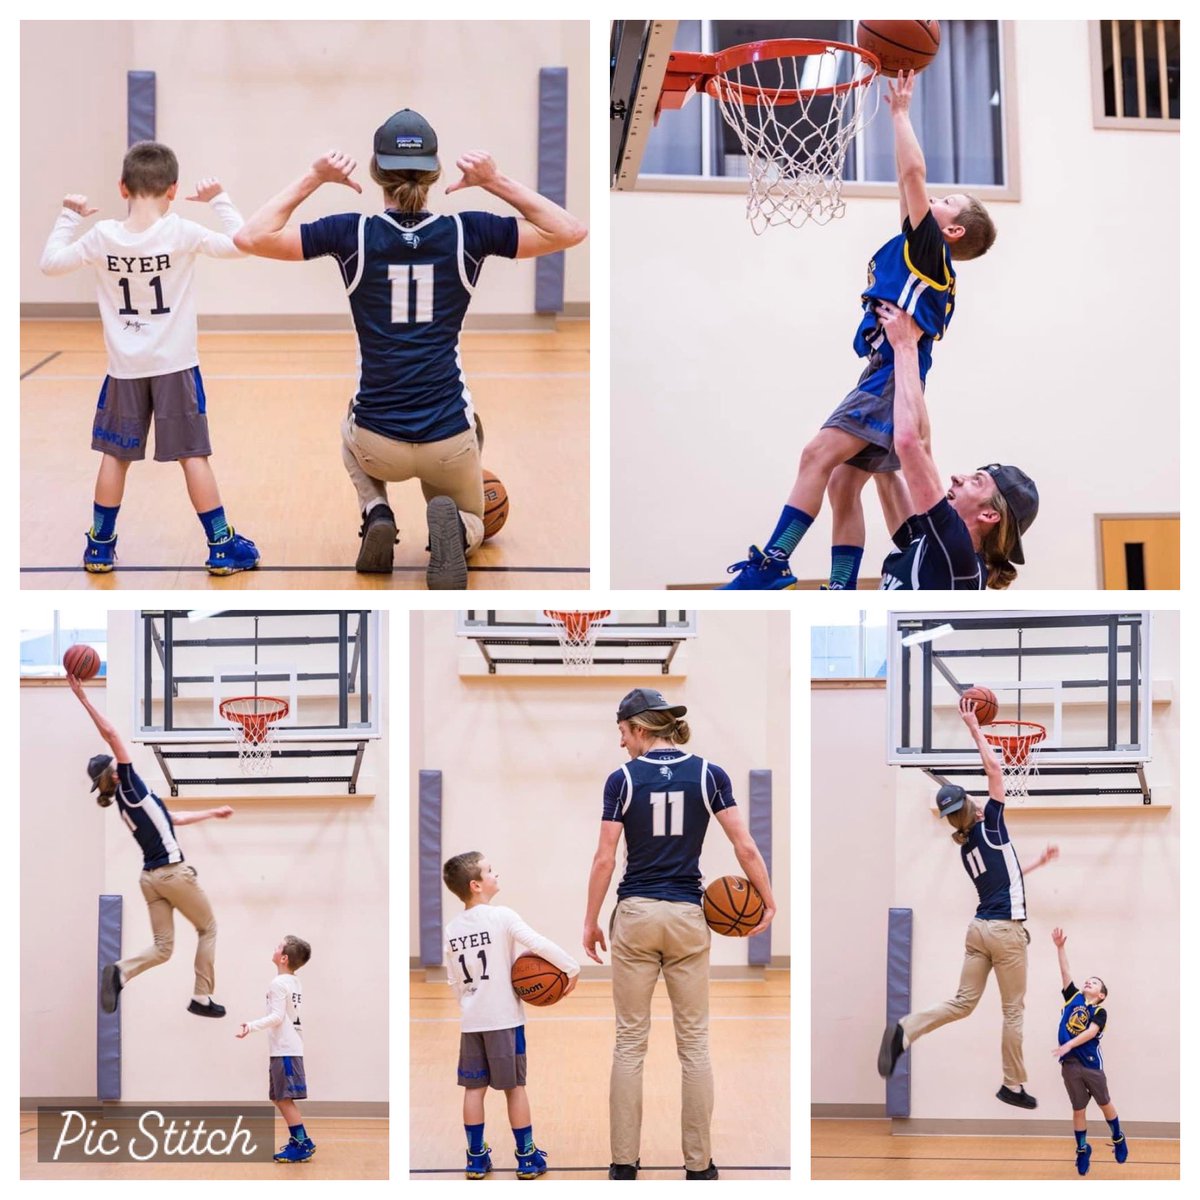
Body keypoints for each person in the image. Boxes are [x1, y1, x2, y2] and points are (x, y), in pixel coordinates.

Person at [232, 109, 588, 588]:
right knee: (475, 491)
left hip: (378, 443)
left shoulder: (351, 233)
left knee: (347, 424)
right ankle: (459, 529)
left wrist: (315, 177)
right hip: (449, 441)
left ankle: (376, 509)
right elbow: (569, 230)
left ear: (376, 174)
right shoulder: (468, 232)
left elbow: (250, 237)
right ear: (437, 173)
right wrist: (493, 179)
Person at [718, 70, 997, 590]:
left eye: (945, 201)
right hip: (891, 370)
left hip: (892, 373)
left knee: (816, 456)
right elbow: (905, 180)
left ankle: (773, 562)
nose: (929, 197)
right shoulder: (918, 246)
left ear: (951, 230)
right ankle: (842, 586)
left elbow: (912, 174)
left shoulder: (930, 251)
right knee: (845, 483)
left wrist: (900, 112)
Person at [39, 140, 259, 576]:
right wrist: (220, 199)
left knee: (114, 455)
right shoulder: (180, 231)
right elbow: (243, 243)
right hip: (175, 367)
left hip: (124, 369)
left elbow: (49, 263)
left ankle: (99, 547)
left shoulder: (101, 238)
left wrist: (67, 215)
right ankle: (221, 546)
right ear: (173, 190)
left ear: (122, 187)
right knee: (192, 454)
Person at [583, 688, 777, 1180]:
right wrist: (768, 898)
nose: (621, 743)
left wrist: (590, 919)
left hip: (636, 914)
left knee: (630, 1042)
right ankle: (699, 1165)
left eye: (623, 733)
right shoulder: (711, 774)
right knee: (694, 1044)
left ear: (641, 730)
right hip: (689, 916)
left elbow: (605, 858)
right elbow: (745, 845)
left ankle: (624, 1164)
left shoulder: (622, 779)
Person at [878, 697, 1058, 1107]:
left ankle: (905, 1030)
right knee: (1013, 1011)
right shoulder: (990, 822)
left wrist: (1036, 864)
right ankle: (1012, 1084)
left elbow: (1003, 880)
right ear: (973, 806)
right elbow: (995, 768)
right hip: (1006, 933)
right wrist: (973, 727)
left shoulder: (966, 847)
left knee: (962, 1003)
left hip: (978, 931)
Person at [68, 673, 232, 1016]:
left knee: (163, 948)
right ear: (114, 773)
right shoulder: (128, 781)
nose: (121, 760)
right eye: (116, 763)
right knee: (209, 928)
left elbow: (172, 820)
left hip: (150, 881)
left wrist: (212, 813)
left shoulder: (128, 803)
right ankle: (202, 997)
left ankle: (121, 972)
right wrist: (83, 699)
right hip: (172, 874)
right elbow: (111, 733)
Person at [874, 300, 1038, 588]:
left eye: (977, 481)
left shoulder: (958, 557)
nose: (957, 477)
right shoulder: (929, 543)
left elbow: (912, 443)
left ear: (989, 515)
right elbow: (884, 471)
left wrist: (906, 345)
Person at [442, 850, 580, 1180]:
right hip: (504, 1020)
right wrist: (570, 967)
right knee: (514, 1088)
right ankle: (527, 1157)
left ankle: (475, 1158)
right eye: (490, 871)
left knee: (473, 1090)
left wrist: (469, 1005)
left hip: (472, 1021)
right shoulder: (502, 916)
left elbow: (453, 980)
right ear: (476, 885)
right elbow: (536, 942)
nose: (496, 875)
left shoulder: (451, 928)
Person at [1051, 926, 1128, 1175]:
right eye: (1088, 980)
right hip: (1070, 1065)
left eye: (1094, 982)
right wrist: (1060, 948)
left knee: (1105, 1103)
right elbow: (1065, 973)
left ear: (1101, 994)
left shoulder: (1099, 1011)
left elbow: (1091, 1033)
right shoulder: (1072, 998)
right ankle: (1083, 1149)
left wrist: (1069, 1044)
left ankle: (1118, 1137)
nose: (1088, 982)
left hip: (1090, 1064)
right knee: (1078, 1108)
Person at [236, 935, 315, 1164]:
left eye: (278, 946)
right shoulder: (293, 981)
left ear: (283, 958)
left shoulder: (278, 984)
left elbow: (277, 1017)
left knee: (284, 1098)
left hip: (285, 1049)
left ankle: (301, 1144)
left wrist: (250, 1026)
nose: (274, 947)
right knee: (279, 1097)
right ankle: (300, 1141)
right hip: (287, 1048)